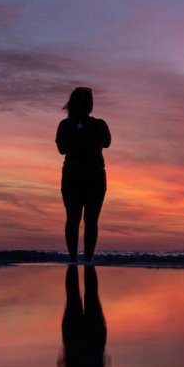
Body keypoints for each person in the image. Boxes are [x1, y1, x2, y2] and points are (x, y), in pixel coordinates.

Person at [56, 87, 111, 264]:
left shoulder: (65, 125)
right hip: (94, 176)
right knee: (91, 220)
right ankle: (87, 260)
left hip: (73, 175)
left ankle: (73, 259)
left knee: (73, 218)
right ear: (90, 105)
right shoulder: (99, 124)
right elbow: (107, 143)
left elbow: (61, 149)